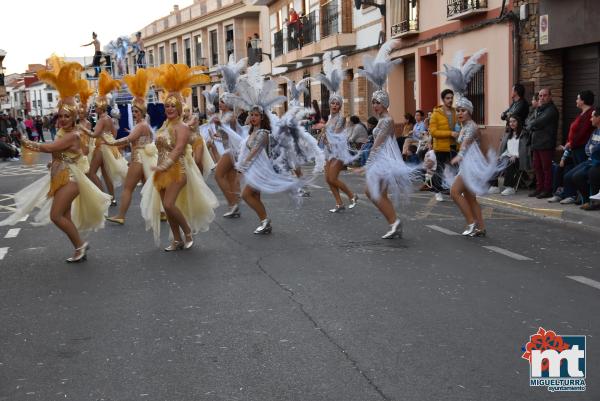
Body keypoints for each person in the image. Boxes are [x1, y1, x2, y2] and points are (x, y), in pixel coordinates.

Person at [0, 62, 111, 262]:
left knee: (56, 216)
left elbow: (50, 148)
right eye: (60, 116)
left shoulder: (73, 134)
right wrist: (54, 163)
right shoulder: (64, 132)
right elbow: (58, 152)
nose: (62, 119)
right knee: (64, 216)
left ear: (74, 116)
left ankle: (80, 245)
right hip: (61, 177)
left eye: (67, 116)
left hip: (70, 179)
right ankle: (79, 247)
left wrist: (27, 143)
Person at [140, 63, 217, 250]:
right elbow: (157, 144)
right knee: (167, 207)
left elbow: (179, 148)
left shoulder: (181, 127)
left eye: (173, 105)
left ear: (179, 108)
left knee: (169, 203)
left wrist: (163, 165)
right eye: (167, 105)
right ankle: (176, 239)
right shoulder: (164, 127)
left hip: (177, 171)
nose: (169, 108)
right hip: (161, 171)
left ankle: (187, 231)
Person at [359, 40, 416, 239]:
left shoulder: (386, 121)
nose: (375, 105)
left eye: (378, 102)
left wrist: (367, 164)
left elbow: (378, 144)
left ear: (385, 104)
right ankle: (394, 223)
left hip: (383, 160)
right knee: (376, 193)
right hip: (383, 160)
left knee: (371, 191)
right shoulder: (383, 119)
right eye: (373, 102)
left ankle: (395, 222)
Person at [436, 49, 494, 236]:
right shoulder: (465, 126)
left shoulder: (471, 127)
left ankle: (471, 223)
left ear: (469, 112)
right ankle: (481, 227)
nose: (459, 113)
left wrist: (459, 157)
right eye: (458, 110)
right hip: (470, 165)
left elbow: (467, 143)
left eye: (463, 110)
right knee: (470, 197)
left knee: (454, 192)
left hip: (470, 166)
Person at [105, 69, 155, 225]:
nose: (134, 113)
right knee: (151, 188)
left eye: (136, 111)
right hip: (144, 159)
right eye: (133, 111)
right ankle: (162, 212)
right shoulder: (144, 125)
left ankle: (120, 216)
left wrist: (112, 142)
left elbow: (129, 139)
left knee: (128, 188)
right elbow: (146, 138)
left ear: (142, 111)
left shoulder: (141, 125)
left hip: (138, 160)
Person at [315, 52, 358, 213]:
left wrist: (326, 135)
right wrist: (322, 134)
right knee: (328, 179)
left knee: (333, 178)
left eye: (336, 103)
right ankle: (339, 203)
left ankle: (352, 195)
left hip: (337, 152)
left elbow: (338, 135)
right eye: (332, 103)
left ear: (340, 106)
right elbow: (325, 134)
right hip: (328, 151)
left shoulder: (341, 118)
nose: (334, 105)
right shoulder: (328, 118)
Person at [87, 71, 127, 205]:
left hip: (101, 148)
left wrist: (83, 130)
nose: (95, 109)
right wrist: (109, 141)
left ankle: (105, 197)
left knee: (91, 172)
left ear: (100, 107)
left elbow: (94, 134)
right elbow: (114, 133)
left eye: (96, 106)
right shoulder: (109, 118)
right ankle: (112, 198)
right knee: (105, 174)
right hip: (108, 147)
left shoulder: (101, 120)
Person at [563, 107, 600, 211]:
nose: (590, 119)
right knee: (570, 176)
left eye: (592, 117)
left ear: (599, 118)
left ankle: (592, 202)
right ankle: (587, 200)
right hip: (591, 160)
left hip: (596, 162)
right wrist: (593, 150)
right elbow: (588, 148)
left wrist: (593, 150)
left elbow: (596, 150)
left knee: (582, 175)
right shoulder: (595, 132)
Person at [528, 88, 559, 198]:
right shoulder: (539, 109)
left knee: (546, 168)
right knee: (537, 167)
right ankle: (539, 188)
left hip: (546, 143)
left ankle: (547, 190)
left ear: (550, 97)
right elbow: (530, 122)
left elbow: (537, 122)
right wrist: (532, 124)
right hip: (536, 142)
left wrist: (532, 124)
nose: (542, 98)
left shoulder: (551, 110)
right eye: (540, 96)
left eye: (544, 95)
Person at [429, 89, 459, 201]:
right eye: (448, 98)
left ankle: (455, 190)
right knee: (440, 168)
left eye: (451, 98)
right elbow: (433, 132)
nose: (450, 100)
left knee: (456, 168)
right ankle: (437, 191)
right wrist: (450, 133)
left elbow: (460, 126)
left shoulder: (456, 112)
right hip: (441, 146)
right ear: (443, 99)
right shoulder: (436, 114)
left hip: (455, 145)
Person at [492, 116, 529, 195]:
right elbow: (507, 149)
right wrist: (501, 156)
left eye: (514, 121)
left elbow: (525, 149)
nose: (512, 123)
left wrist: (516, 156)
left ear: (518, 122)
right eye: (510, 122)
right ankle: (494, 186)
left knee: (510, 162)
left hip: (519, 158)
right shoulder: (508, 134)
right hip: (508, 156)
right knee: (495, 162)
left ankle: (510, 187)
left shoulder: (524, 133)